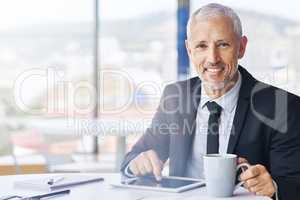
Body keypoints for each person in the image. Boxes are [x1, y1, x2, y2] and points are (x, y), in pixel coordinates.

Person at [121, 3, 300, 199]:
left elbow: (293, 184)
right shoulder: (175, 96)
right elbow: (131, 160)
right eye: (201, 46)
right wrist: (137, 163)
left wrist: (273, 186)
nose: (212, 58)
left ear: (241, 47)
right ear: (190, 50)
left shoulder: (282, 106)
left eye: (223, 44)